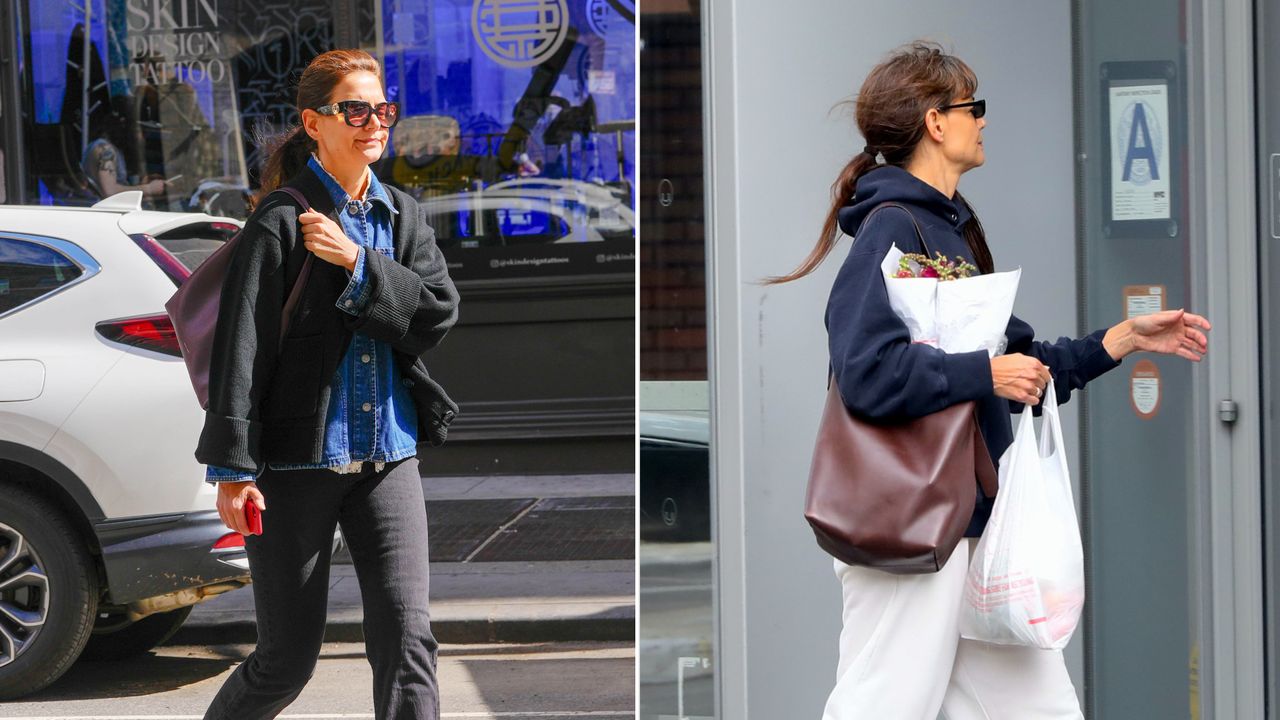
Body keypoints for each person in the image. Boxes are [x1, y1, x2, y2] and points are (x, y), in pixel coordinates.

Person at [766, 42, 1210, 719]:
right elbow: (866, 372)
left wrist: (1119, 341)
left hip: (970, 526)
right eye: (974, 107)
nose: (984, 121)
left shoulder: (948, 234)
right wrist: (984, 372)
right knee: (879, 706)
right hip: (914, 533)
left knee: (1043, 711)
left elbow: (1017, 367)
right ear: (936, 122)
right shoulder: (892, 229)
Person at [197, 49, 460, 720]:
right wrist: (233, 469)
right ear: (315, 123)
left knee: (408, 642)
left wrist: (357, 263)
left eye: (382, 110)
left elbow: (435, 315)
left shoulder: (401, 215)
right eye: (356, 110)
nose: (374, 123)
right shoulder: (281, 222)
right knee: (286, 658)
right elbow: (241, 352)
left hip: (388, 456)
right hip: (293, 465)